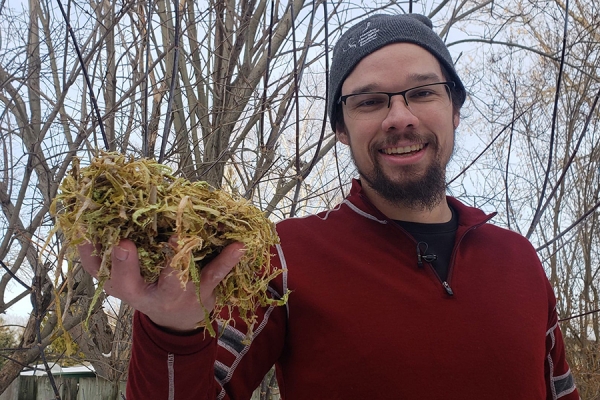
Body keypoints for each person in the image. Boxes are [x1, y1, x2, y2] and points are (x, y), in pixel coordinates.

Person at [79, 13, 580, 400]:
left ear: (454, 106)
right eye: (369, 101)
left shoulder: (519, 259)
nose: (398, 118)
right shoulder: (280, 255)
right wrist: (173, 330)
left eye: (423, 92)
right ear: (341, 129)